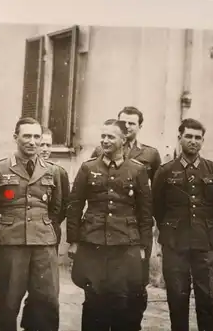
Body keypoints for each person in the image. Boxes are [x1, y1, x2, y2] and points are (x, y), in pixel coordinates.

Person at [67, 118, 154, 331]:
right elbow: (75, 206)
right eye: (103, 136)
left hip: (125, 245)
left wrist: (144, 247)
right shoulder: (88, 168)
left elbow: (145, 212)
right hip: (93, 243)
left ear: (123, 140)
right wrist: (73, 241)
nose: (105, 141)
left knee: (123, 301)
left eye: (111, 136)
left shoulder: (137, 170)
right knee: (94, 300)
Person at [0, 117, 63, 331]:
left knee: (46, 301)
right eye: (27, 136)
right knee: (7, 303)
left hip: (43, 244)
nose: (33, 141)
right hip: (10, 243)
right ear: (15, 137)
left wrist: (46, 228)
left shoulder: (52, 171)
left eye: (37, 137)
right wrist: (1, 226)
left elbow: (58, 208)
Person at [152, 118, 213, 331]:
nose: (193, 141)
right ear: (179, 138)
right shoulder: (165, 171)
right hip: (175, 245)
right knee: (177, 300)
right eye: (188, 136)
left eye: (198, 138)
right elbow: (157, 207)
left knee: (208, 301)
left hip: (207, 246)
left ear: (203, 141)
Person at [90, 106, 161, 329]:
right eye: (124, 122)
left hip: (136, 229)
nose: (127, 126)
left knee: (136, 286)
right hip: (108, 230)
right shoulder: (101, 150)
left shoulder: (150, 154)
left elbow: (154, 194)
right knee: (105, 286)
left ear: (140, 126)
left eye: (132, 123)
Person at [20, 126, 70, 331]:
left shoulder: (58, 172)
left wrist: (48, 225)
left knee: (45, 289)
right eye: (42, 144)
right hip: (22, 235)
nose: (45, 148)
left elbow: (62, 206)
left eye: (49, 145)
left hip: (47, 234)